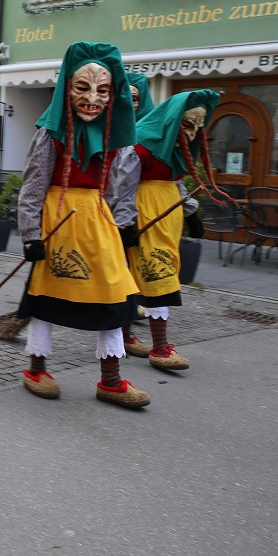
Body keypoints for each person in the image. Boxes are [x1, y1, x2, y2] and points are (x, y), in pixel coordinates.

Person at [16, 41, 148, 409]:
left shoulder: (112, 140)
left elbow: (120, 187)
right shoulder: (50, 134)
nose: (93, 97)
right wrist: (31, 234)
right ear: (66, 89)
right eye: (82, 87)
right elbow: (32, 187)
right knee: (46, 297)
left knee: (116, 294)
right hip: (58, 221)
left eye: (102, 90)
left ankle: (111, 379)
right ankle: (37, 368)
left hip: (98, 223)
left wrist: (125, 224)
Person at [109, 89, 233, 369]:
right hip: (144, 214)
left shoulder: (172, 148)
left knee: (140, 275)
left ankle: (125, 335)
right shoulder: (140, 143)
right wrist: (126, 222)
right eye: (188, 126)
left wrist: (191, 215)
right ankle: (160, 348)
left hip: (167, 216)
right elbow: (122, 186)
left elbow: (175, 185)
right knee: (156, 275)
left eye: (197, 129)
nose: (191, 134)